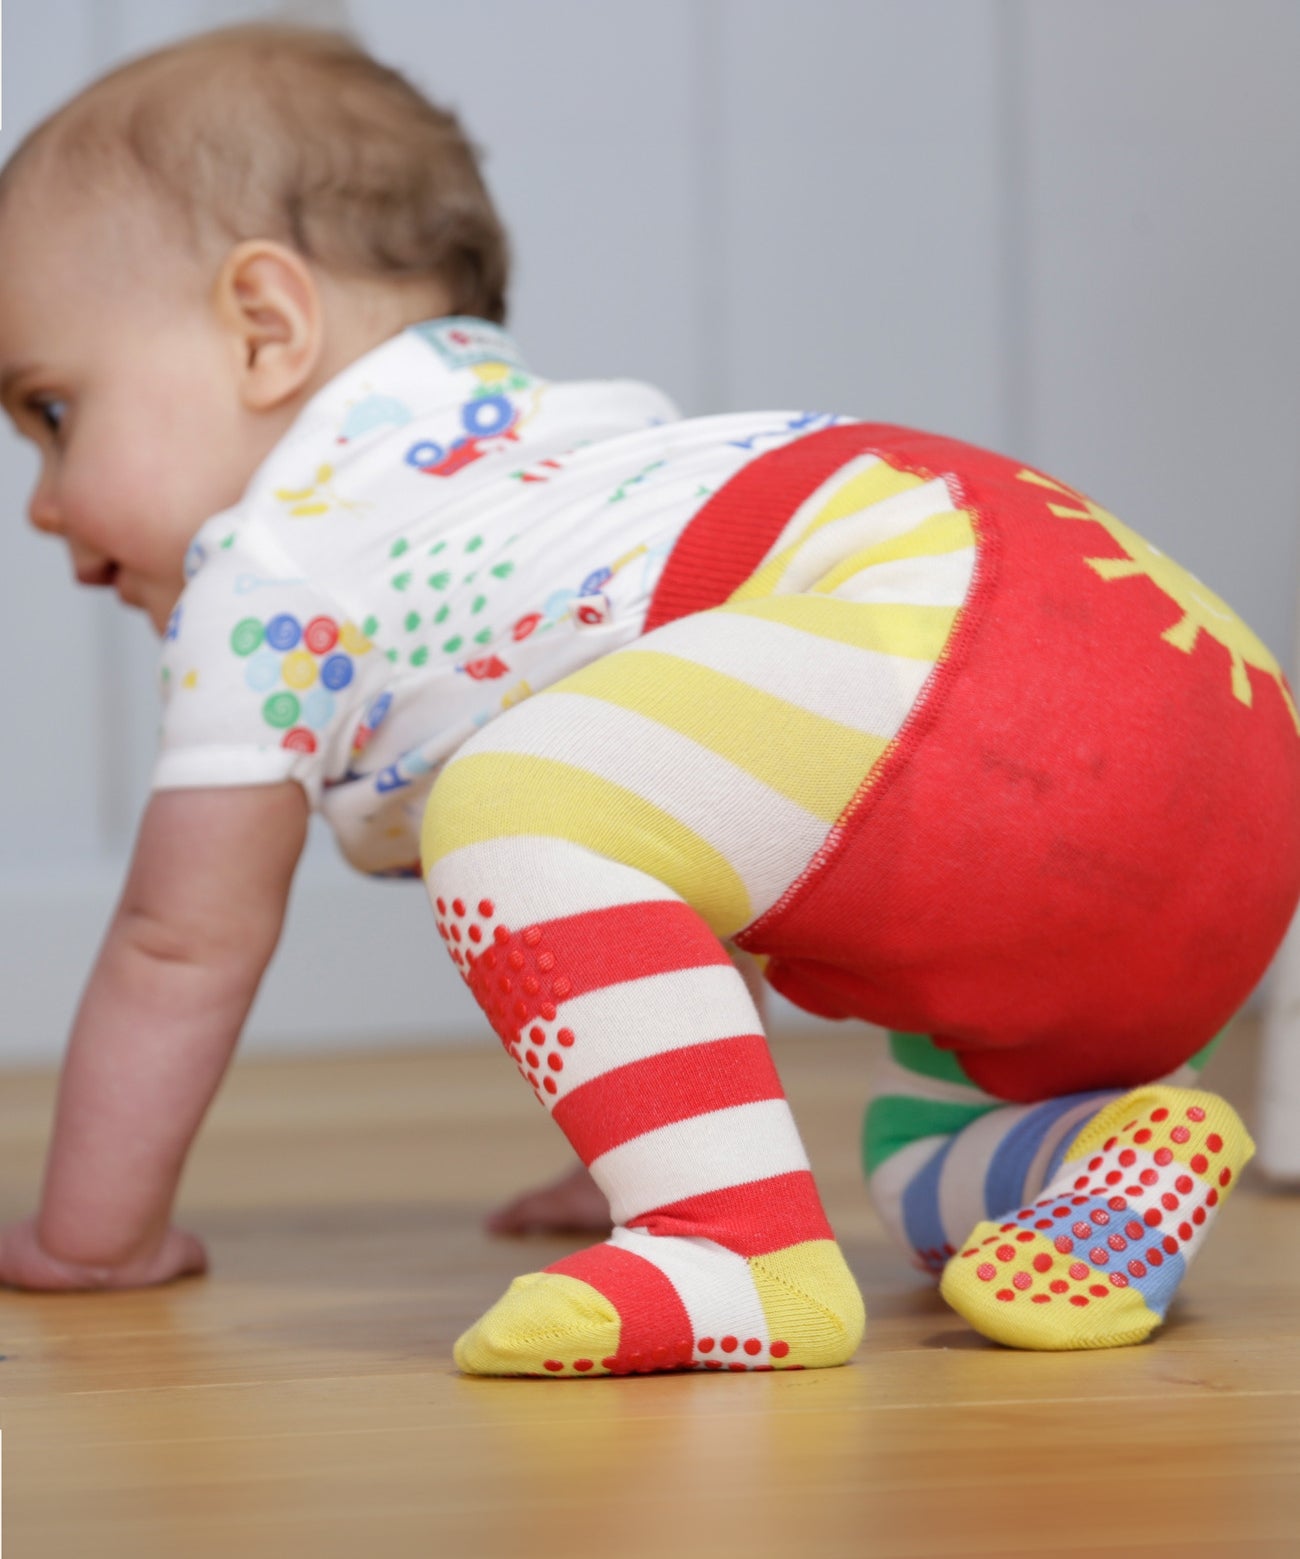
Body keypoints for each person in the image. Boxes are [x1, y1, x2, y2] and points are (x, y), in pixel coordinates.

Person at [0, 23, 1294, 1378]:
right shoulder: (592, 462)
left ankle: (733, 1243)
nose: (41, 504)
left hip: (975, 637)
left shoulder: (269, 570)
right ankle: (1110, 1147)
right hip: (1211, 737)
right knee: (919, 1162)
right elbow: (684, 843)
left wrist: (93, 1240)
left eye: (53, 413)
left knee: (512, 804)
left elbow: (178, 945)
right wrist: (624, 1138)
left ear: (266, 329)